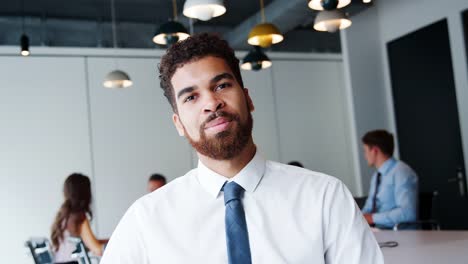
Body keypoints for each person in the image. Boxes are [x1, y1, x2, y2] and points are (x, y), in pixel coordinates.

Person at [101, 33, 383, 263]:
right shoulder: (146, 220)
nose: (211, 103)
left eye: (222, 85)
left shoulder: (325, 198)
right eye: (191, 97)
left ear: (247, 99)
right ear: (178, 123)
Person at [361, 129, 418, 229]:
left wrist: (372, 218)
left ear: (374, 150)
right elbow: (369, 208)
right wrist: (358, 217)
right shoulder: (376, 176)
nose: (365, 156)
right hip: (379, 231)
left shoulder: (401, 172)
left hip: (398, 233)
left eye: (365, 151)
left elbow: (408, 213)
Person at [51, 173, 108, 263]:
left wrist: (113, 239)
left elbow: (90, 243)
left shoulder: (63, 217)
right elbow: (97, 250)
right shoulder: (79, 218)